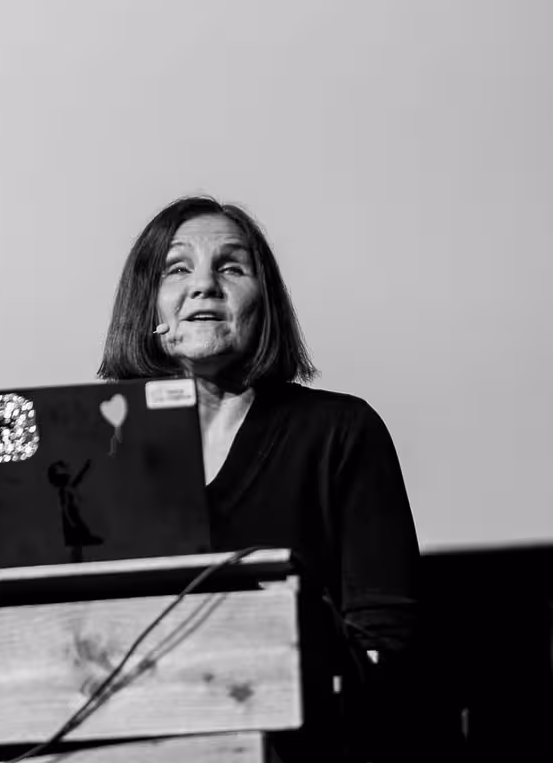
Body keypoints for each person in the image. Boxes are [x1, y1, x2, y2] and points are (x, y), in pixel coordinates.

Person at [99, 195, 445, 759]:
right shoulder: (103, 453)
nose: (205, 285)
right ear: (145, 307)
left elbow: (387, 642)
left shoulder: (340, 431)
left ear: (265, 305)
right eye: (177, 268)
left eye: (232, 267)